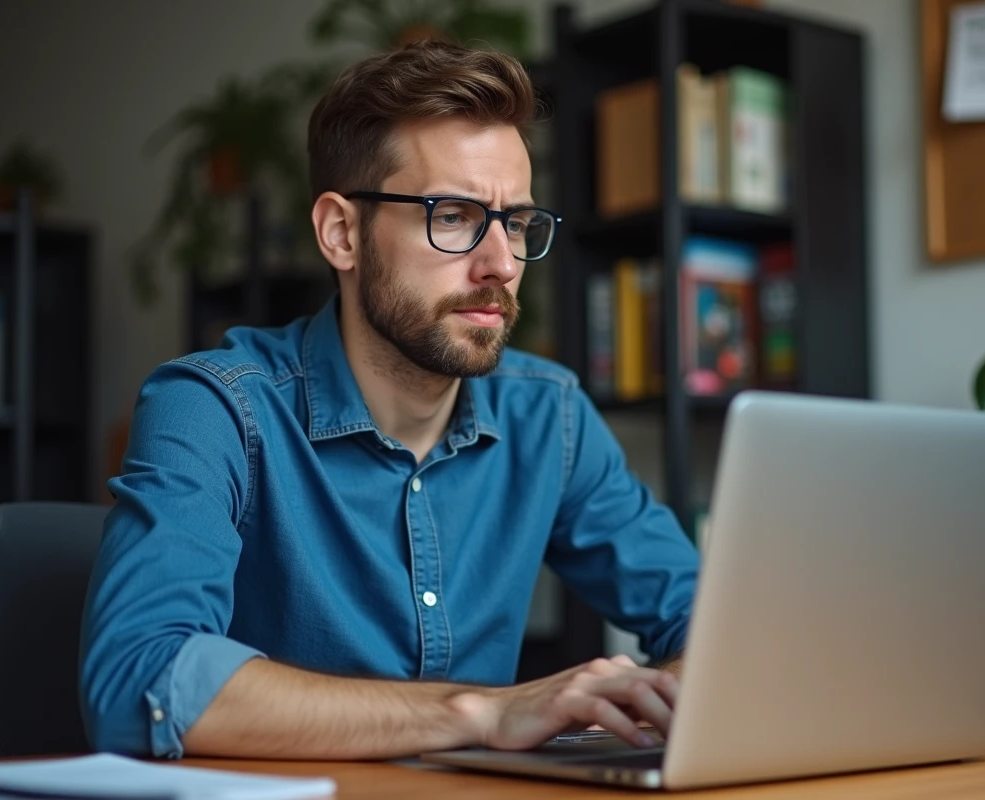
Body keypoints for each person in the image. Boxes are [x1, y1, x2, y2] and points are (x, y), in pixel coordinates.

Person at [80, 40, 699, 761]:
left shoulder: (548, 416)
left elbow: (716, 626)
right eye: (454, 216)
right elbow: (140, 681)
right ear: (341, 233)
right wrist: (480, 713)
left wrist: (663, 695)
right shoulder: (214, 409)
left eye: (516, 222)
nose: (502, 264)